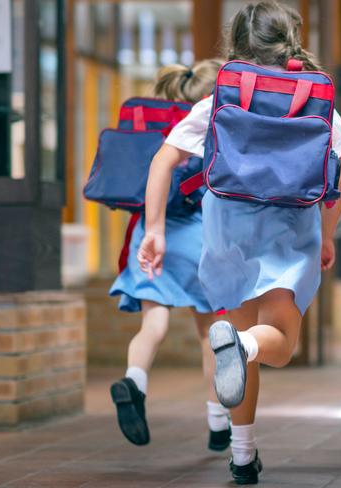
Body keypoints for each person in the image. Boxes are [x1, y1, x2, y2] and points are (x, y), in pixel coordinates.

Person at [137, 2, 341, 484]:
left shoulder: (219, 97)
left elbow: (163, 161)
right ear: (290, 38)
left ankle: (242, 453)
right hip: (290, 229)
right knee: (276, 343)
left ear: (236, 42)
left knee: (237, 339)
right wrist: (327, 232)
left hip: (226, 229)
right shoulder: (316, 99)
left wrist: (154, 229)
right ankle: (243, 346)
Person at [109, 59, 233, 452]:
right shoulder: (208, 122)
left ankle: (134, 381)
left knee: (153, 325)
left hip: (152, 233)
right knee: (207, 334)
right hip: (198, 237)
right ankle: (218, 423)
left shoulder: (158, 126)